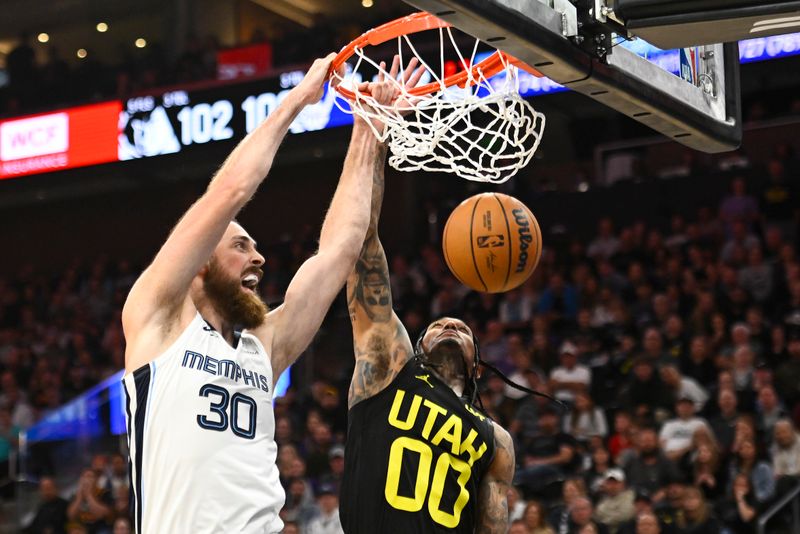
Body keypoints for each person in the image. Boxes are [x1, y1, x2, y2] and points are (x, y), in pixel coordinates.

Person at [120, 54, 385, 533]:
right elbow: (232, 190)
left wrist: (367, 127)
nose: (258, 258)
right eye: (241, 246)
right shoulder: (156, 320)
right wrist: (297, 102)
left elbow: (339, 251)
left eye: (257, 248)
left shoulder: (264, 347)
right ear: (202, 259)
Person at [339, 56, 515, 534]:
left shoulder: (495, 439)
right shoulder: (389, 367)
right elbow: (362, 245)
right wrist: (375, 136)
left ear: (478, 362)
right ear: (415, 348)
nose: (450, 323)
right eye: (437, 324)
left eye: (462, 327)